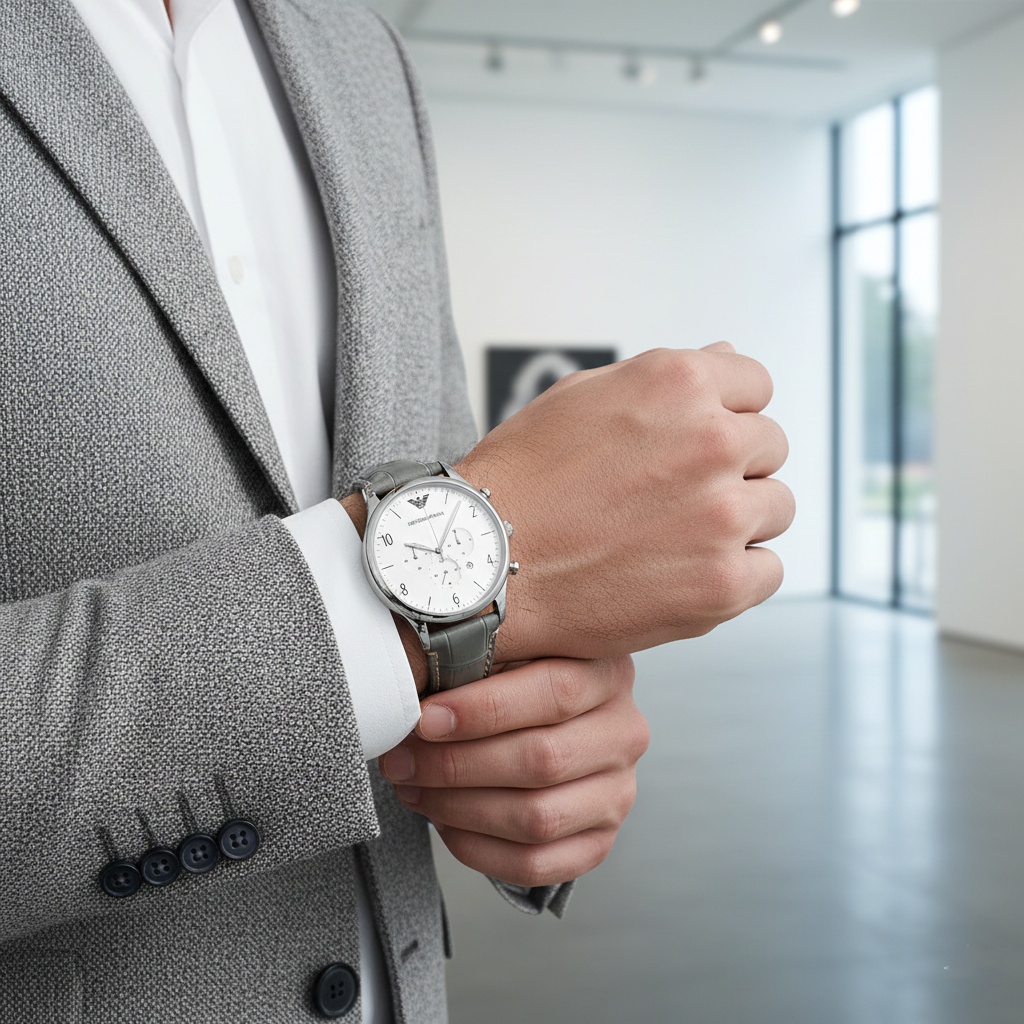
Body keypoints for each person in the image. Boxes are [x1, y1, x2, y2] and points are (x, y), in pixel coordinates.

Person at [0, 0, 793, 1020]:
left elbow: (475, 554)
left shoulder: (360, 53)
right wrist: (398, 603)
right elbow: (474, 533)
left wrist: (540, 741)